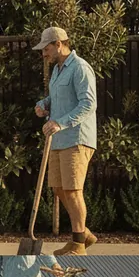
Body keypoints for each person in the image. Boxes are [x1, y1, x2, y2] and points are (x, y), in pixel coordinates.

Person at [34, 26, 98, 255]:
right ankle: (83, 234)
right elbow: (57, 97)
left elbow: (89, 103)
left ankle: (79, 244)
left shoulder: (80, 67)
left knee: (72, 190)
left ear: (59, 44)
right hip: (58, 139)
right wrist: (44, 104)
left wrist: (61, 122)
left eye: (46, 48)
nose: (44, 54)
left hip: (76, 138)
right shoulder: (57, 70)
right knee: (59, 188)